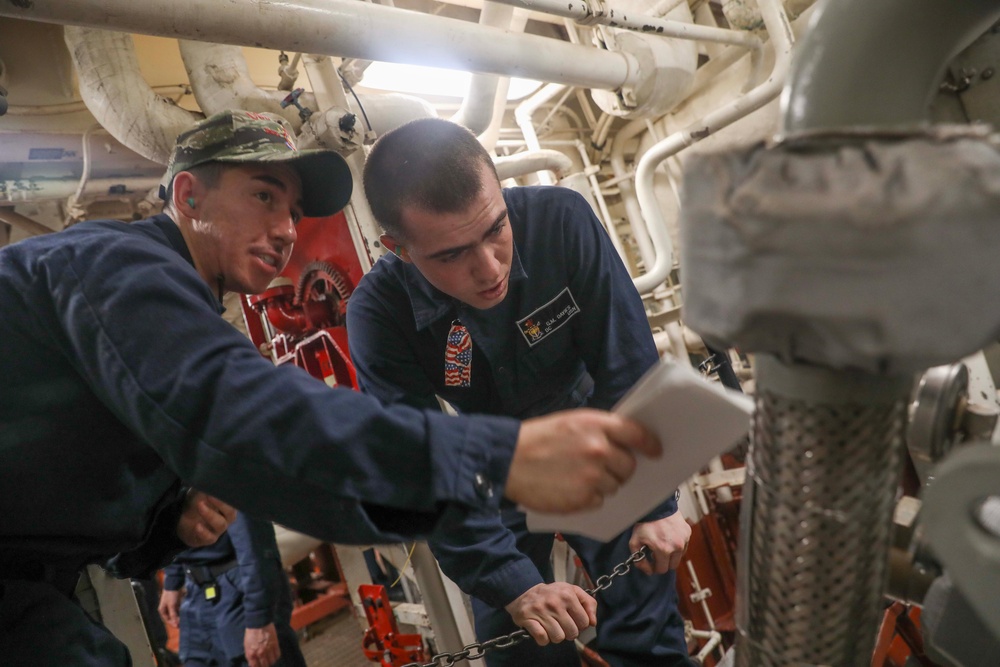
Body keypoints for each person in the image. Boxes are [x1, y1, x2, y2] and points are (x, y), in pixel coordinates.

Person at [0, 109, 661, 666]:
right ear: (188, 198)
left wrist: (160, 522)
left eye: (290, 209)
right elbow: (248, 414)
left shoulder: (171, 318)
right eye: (263, 194)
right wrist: (500, 455)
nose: (286, 227)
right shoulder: (115, 263)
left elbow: (126, 448)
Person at [347, 117, 694, 667]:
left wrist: (654, 500)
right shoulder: (377, 313)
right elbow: (419, 461)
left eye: (495, 230)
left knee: (648, 638)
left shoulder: (561, 220)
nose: (489, 268)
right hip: (490, 464)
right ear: (400, 249)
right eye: (451, 254)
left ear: (502, 195)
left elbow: (627, 362)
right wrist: (513, 585)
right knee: (522, 650)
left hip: (595, 438)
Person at [159, 513, 305, 667]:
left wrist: (259, 619)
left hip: (241, 586)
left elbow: (255, 546)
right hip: (197, 588)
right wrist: (172, 580)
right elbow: (173, 519)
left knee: (260, 655)